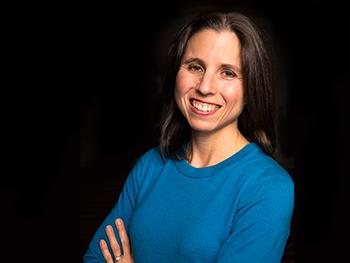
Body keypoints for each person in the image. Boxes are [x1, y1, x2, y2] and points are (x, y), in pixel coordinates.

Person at [83, 10, 294, 263]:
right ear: (176, 74)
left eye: (228, 73)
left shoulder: (268, 187)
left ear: (251, 88)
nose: (205, 87)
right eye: (195, 66)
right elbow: (95, 258)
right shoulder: (151, 165)